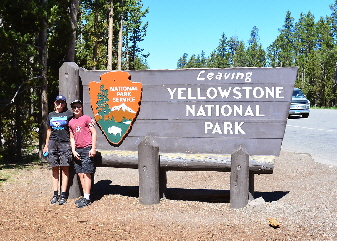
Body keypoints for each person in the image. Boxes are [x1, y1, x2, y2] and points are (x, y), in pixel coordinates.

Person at [43, 95, 73, 205]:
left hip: (65, 143)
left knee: (65, 168)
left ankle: (63, 194)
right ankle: (55, 194)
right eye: (58, 102)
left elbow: (77, 121)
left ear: (64, 104)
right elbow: (49, 130)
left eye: (62, 102)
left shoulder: (68, 114)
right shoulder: (51, 115)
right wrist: (46, 145)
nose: (60, 104)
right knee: (54, 168)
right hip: (52, 143)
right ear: (55, 103)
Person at [69, 99, 97, 208]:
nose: (76, 109)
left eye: (78, 107)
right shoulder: (71, 122)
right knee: (80, 174)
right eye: (74, 107)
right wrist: (73, 150)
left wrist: (93, 148)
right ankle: (85, 195)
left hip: (87, 148)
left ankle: (87, 198)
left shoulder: (86, 118)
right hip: (78, 150)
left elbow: (94, 133)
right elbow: (72, 137)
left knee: (87, 173)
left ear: (81, 108)